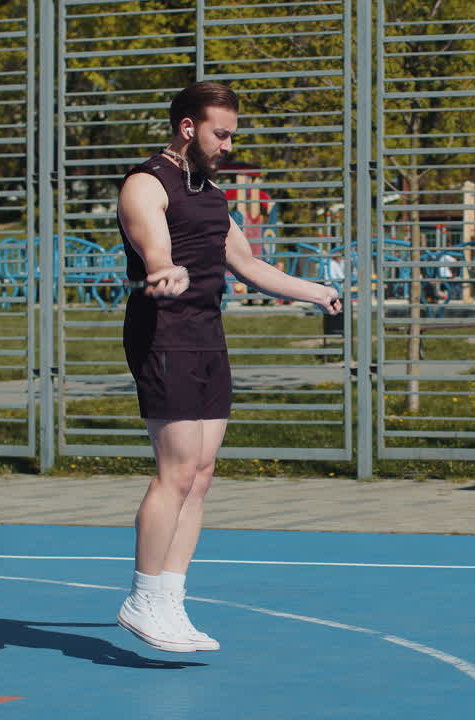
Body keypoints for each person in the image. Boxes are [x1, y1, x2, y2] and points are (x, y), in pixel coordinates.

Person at [115, 81, 342, 653]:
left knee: (202, 473)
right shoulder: (146, 183)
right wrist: (164, 270)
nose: (228, 145)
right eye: (221, 133)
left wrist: (315, 291)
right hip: (163, 335)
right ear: (188, 127)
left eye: (232, 134)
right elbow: (155, 249)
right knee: (176, 471)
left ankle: (170, 599)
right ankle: (142, 597)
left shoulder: (212, 196)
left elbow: (247, 265)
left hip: (207, 335)